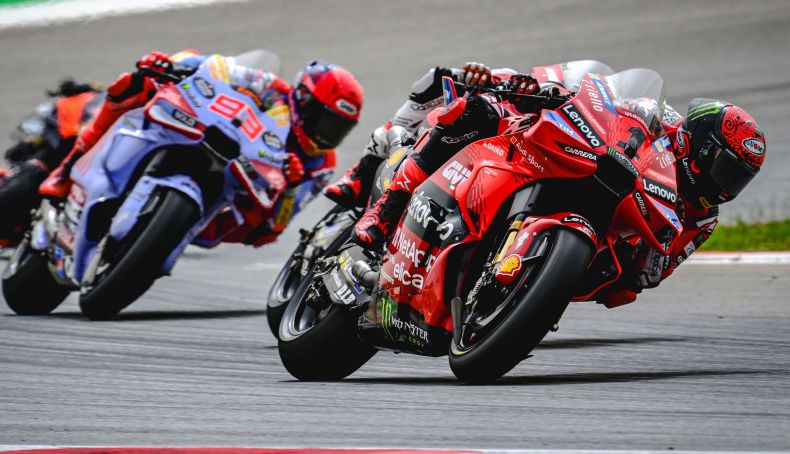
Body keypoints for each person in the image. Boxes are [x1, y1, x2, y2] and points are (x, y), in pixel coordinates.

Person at [339, 62, 766, 308]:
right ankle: (386, 209)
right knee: (477, 111)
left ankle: (519, 293)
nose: (725, 187)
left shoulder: (703, 218)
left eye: (738, 181)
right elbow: (604, 101)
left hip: (607, 232)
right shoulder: (663, 121)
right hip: (585, 162)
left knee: (618, 284)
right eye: (725, 170)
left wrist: (642, 264)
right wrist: (549, 89)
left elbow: (654, 273)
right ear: (700, 145)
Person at [38, 50, 364, 247]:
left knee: (258, 231)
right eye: (326, 122)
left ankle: (163, 237)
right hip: (206, 138)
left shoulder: (320, 163)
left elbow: (276, 226)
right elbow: (213, 67)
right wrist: (173, 64)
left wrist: (289, 188)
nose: (326, 135)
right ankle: (66, 170)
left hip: (233, 200)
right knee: (133, 85)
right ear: (304, 100)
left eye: (338, 129)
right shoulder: (269, 88)